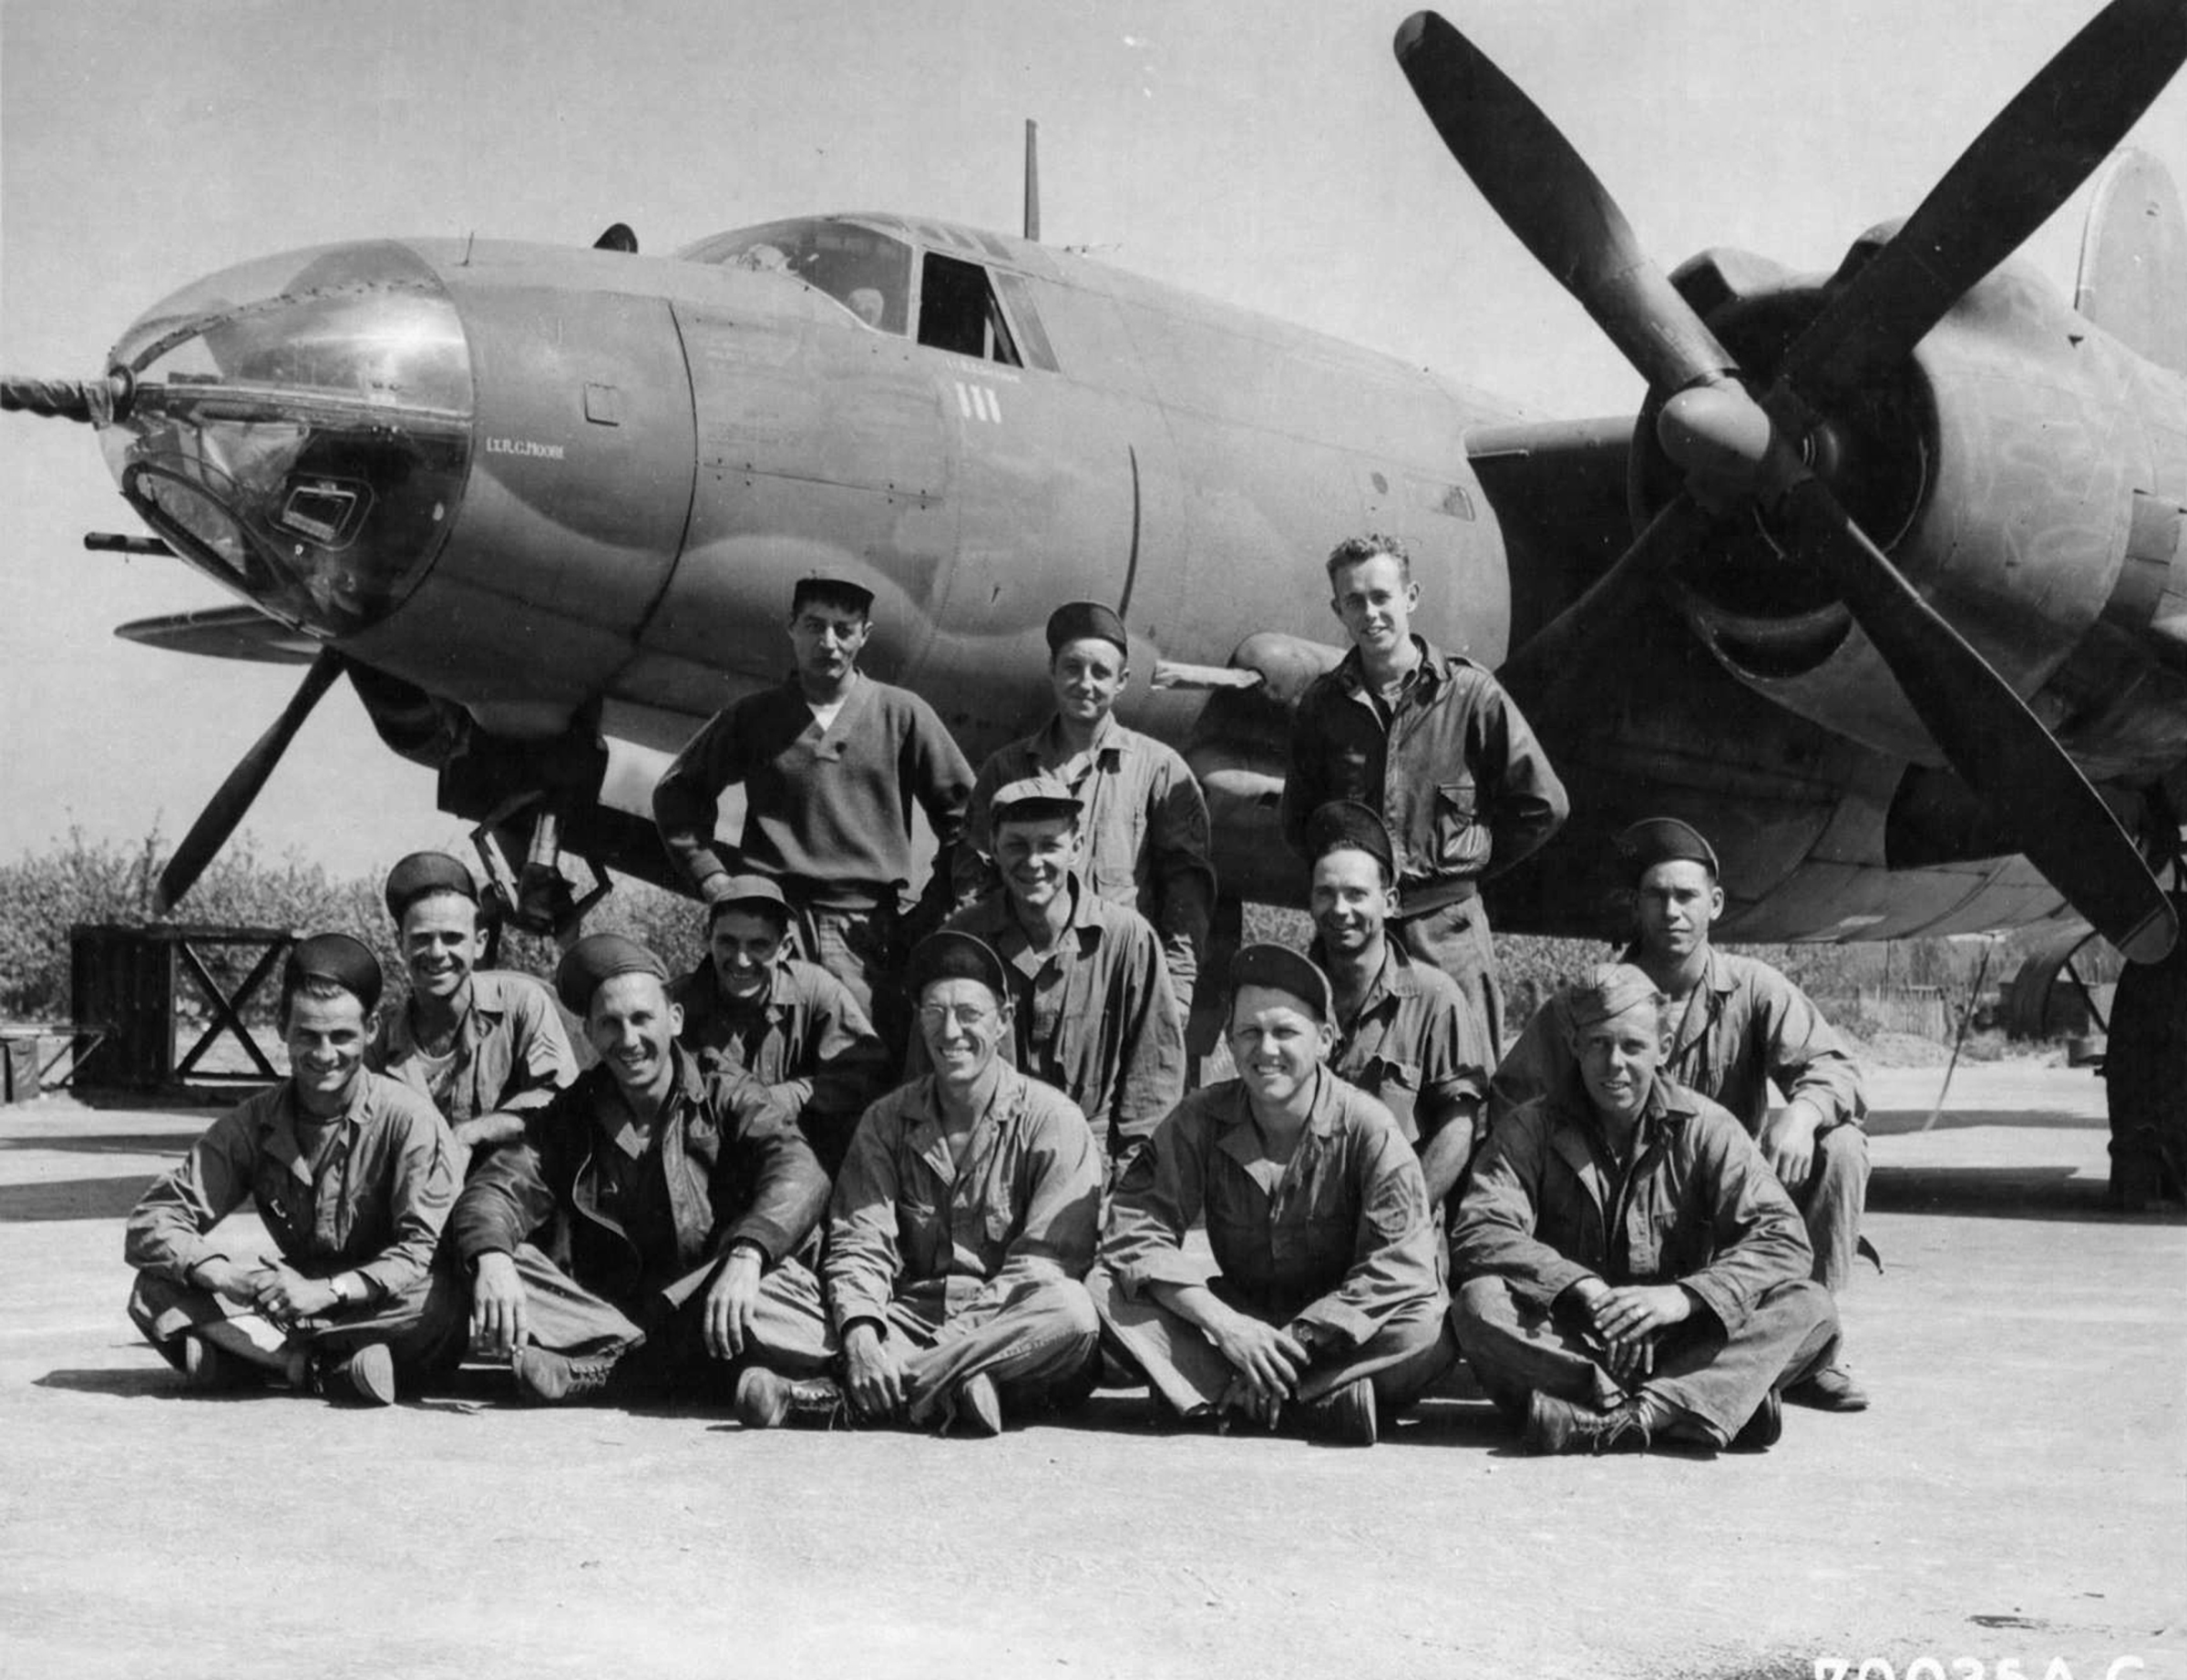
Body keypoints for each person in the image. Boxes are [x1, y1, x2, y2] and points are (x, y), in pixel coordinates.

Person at [1488, 816, 1872, 1410]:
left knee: (1840, 1145)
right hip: (1602, 1227)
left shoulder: (1754, 989)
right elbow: (1513, 1102)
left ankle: (1812, 1351)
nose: (1672, 911)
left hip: (1714, 1209)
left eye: (1687, 896)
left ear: (1714, 904)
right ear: (1634, 906)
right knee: (1483, 1301)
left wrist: (1802, 1112)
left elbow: (1835, 1068)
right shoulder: (1586, 1002)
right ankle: (1691, 1381)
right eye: (1657, 896)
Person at [1452, 964, 1841, 1455]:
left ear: (1664, 1046)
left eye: (1633, 1046)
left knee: (1810, 1308)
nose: (1614, 1063)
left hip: (1680, 1337)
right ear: (1574, 1046)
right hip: (1573, 1342)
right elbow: (1479, 1230)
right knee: (1478, 1305)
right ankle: (1694, 1403)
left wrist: (1683, 1299)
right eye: (1598, 1044)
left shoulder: (1706, 1128)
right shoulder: (1530, 1129)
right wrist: (1581, 1288)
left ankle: (1619, 1418)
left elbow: (1783, 1238)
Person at [731, 932, 1104, 1436]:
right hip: (902, 1315)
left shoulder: (1053, 1120)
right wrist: (862, 1335)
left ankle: (842, 1399)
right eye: (934, 1012)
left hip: (1002, 1320)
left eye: (969, 1014)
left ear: (1003, 1021)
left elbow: (1042, 1267)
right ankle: (955, 1387)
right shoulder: (885, 1120)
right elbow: (861, 1243)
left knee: (1072, 1313)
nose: (951, 1032)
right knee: (757, 1298)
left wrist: (926, 1349)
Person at [1094, 945, 1457, 1447]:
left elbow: (1400, 1268)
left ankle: (1231, 1395)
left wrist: (1298, 1339)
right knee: (1103, 1288)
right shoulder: (1199, 1118)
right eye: (1249, 1033)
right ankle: (1317, 1403)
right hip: (1239, 1321)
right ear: (1229, 1041)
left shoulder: (1370, 1128)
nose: (1265, 1050)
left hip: (1332, 1337)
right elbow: (1133, 1232)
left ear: (1326, 1040)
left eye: (1285, 1032)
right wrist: (1225, 1325)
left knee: (1430, 1326)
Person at [446, 934, 830, 1406]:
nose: (628, 1040)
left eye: (642, 1019)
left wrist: (749, 1254)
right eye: (610, 1024)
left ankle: (613, 1373)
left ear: (674, 1019)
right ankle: (650, 1365)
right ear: (588, 1033)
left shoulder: (726, 1090)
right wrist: (493, 1259)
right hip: (618, 1318)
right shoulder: (572, 1112)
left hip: (716, 1296)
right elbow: (498, 1187)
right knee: (497, 1261)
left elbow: (799, 1169)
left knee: (785, 1290)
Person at [123, 934, 459, 1406]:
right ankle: (310, 1367)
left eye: (341, 1036)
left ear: (372, 1029)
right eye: (307, 1035)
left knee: (440, 1302)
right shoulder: (252, 1123)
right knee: (154, 1286)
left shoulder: (410, 1120)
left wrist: (329, 1292)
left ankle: (247, 1359)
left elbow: (416, 1253)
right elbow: (151, 1222)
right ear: (282, 1027)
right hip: (288, 1305)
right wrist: (229, 1279)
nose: (324, 1054)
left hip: (374, 1300)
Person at [652, 574, 975, 1041]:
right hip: (773, 926)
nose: (828, 642)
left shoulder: (902, 714)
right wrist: (712, 878)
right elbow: (678, 793)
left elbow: (968, 819)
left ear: (865, 634)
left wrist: (933, 909)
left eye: (844, 629)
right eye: (814, 625)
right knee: (755, 1058)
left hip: (867, 935)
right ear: (791, 628)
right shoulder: (754, 716)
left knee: (861, 1063)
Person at [1280, 531, 1568, 1052]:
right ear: (1337, 609)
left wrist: (1466, 864)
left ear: (1410, 597)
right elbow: (1299, 820)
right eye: (1354, 601)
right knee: (1341, 1081)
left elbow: (1544, 805)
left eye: (1381, 597)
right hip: (1357, 936)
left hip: (1448, 932)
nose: (1370, 613)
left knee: (1464, 1083)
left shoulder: (1470, 694)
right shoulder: (1323, 706)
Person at [956, 599, 1213, 1021]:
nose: (1085, 683)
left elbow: (1187, 895)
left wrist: (1176, 992)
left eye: (1100, 673)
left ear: (1122, 682)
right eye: (1072, 668)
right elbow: (973, 878)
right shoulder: (1006, 768)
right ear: (1052, 670)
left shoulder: (1159, 770)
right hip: (1016, 979)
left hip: (1115, 983)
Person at [932, 776, 1185, 1181]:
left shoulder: (1127, 939)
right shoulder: (961, 940)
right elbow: (928, 1075)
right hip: (983, 1163)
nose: (1033, 862)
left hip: (1090, 1167)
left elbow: (1153, 1084)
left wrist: (1129, 1190)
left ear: (1077, 849)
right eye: (1016, 845)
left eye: (1049, 845)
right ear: (994, 849)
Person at [1302, 801, 1486, 1205]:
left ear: (1389, 902)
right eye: (1326, 894)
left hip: (1399, 1237)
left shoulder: (1435, 999)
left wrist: (1399, 1216)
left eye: (1356, 894)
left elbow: (1457, 1128)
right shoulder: (1290, 993)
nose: (1340, 910)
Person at [366, 850, 576, 1175]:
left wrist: (472, 1133)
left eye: (452, 938)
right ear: (400, 944)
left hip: (507, 1188)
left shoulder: (520, 1004)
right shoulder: (380, 1036)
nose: (437, 953)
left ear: (479, 943)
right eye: (422, 938)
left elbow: (560, 1100)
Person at [672, 873, 892, 1177]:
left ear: (785, 947)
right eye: (728, 942)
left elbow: (865, 1074)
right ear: (707, 938)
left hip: (796, 1161)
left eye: (759, 945)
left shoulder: (816, 991)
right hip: (708, 1165)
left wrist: (788, 1096)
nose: (742, 960)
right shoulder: (677, 1004)